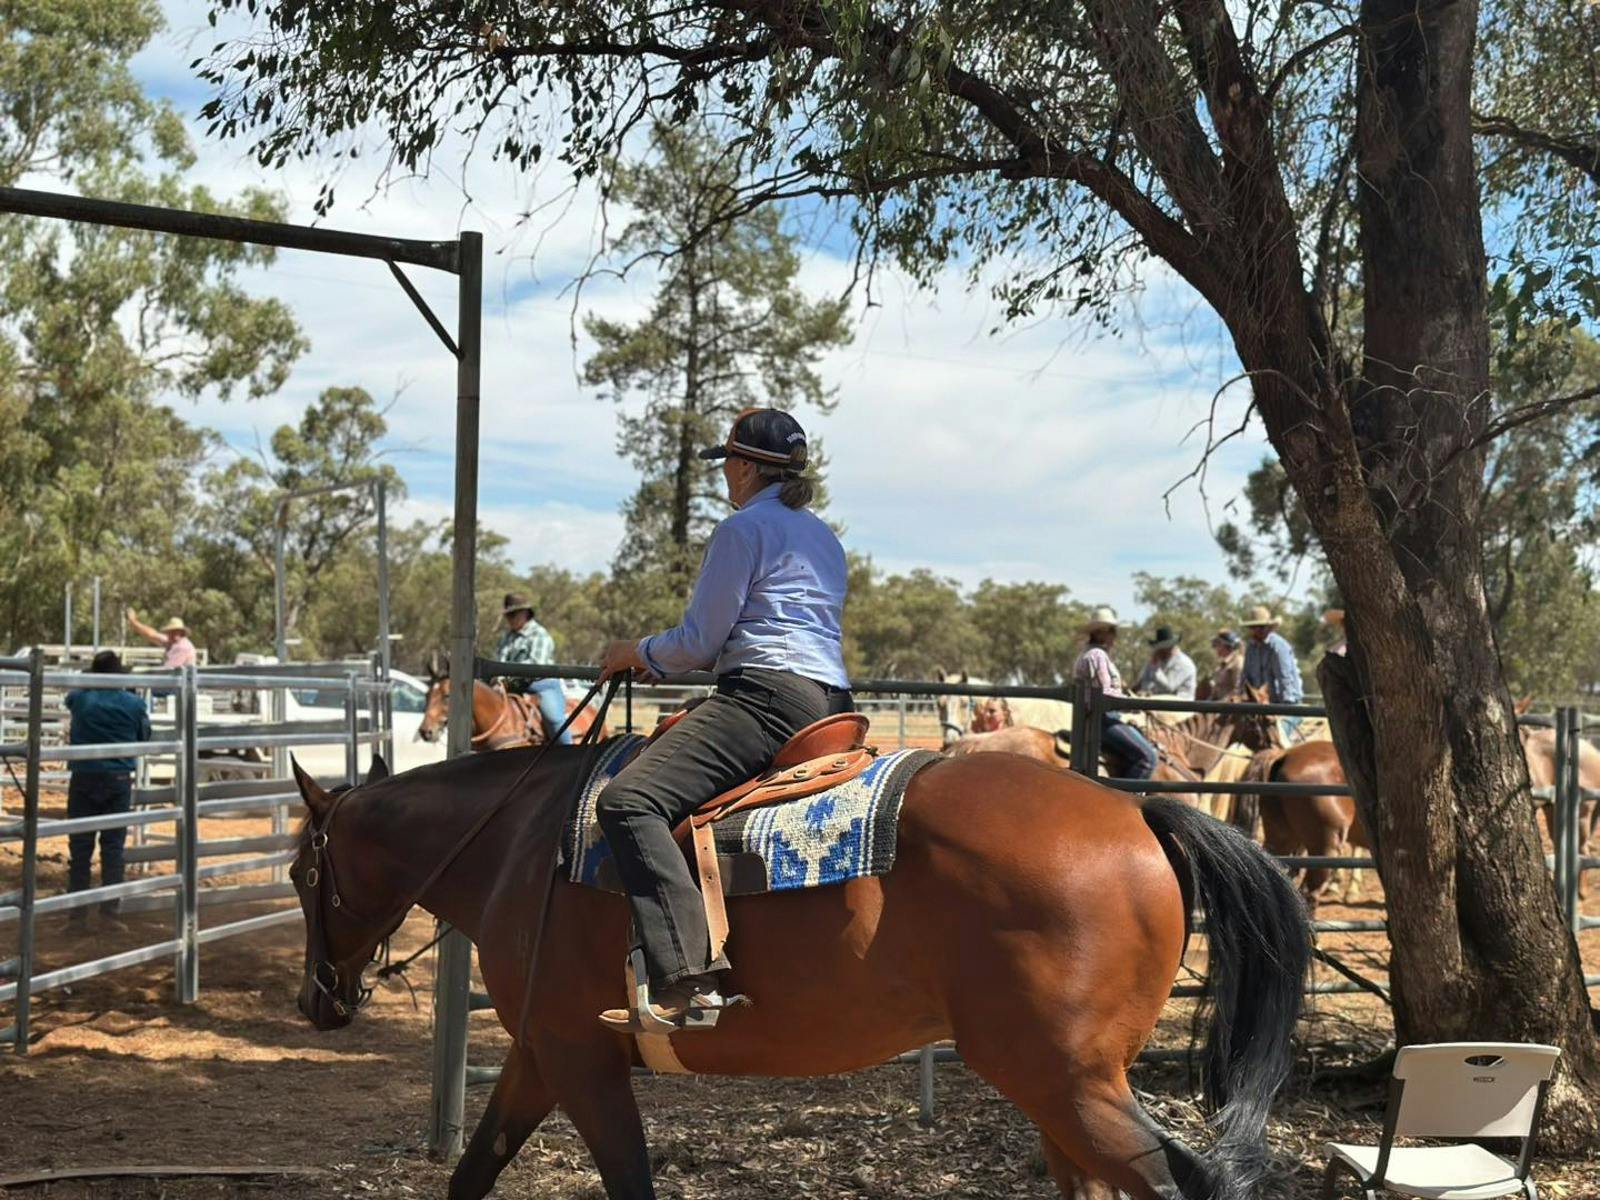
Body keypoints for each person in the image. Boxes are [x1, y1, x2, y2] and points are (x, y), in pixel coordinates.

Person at [592, 407, 851, 1033]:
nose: (724, 479)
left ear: (742, 467)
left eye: (727, 466)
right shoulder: (825, 538)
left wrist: (635, 653)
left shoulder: (741, 530)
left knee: (628, 801)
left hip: (764, 698)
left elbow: (701, 643)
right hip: (833, 702)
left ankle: (686, 977)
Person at [62, 651, 151, 932]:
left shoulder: (80, 700)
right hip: (118, 778)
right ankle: (109, 913)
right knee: (113, 849)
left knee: (80, 849)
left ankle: (77, 916)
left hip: (84, 777)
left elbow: (71, 698)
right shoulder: (133, 704)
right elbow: (144, 736)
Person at [1073, 607, 1158, 781]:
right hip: (1104, 719)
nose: (1115, 636)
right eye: (1113, 631)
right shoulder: (1097, 655)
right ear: (1102, 633)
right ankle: (1126, 802)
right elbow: (1105, 695)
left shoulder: (1089, 654)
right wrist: (1136, 705)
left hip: (1095, 717)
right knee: (1148, 758)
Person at [495, 593, 571, 746]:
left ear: (524, 613)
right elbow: (499, 661)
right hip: (509, 686)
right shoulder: (506, 637)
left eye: (513, 614)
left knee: (552, 717)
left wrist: (508, 680)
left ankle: (570, 752)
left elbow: (537, 666)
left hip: (542, 685)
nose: (509, 619)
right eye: (507, 615)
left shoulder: (540, 635)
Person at [1240, 605, 1304, 703]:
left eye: (1261, 627)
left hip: (1283, 703)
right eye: (1253, 627)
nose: (1257, 630)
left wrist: (1286, 706)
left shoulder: (1278, 647)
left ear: (1269, 627)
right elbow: (1245, 677)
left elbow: (1285, 679)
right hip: (1259, 703)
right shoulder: (1251, 648)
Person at [1136, 626, 1197, 699]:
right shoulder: (1156, 661)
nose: (1157, 651)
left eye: (1160, 648)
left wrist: (1155, 668)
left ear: (1170, 647)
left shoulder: (1184, 664)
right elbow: (1145, 681)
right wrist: (1145, 690)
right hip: (1157, 704)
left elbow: (1169, 688)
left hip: (1180, 706)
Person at [126, 610, 196, 668]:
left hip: (178, 683)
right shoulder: (172, 642)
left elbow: (168, 670)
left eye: (175, 631)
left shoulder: (182, 647)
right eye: (170, 631)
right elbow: (151, 634)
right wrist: (134, 622)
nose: (172, 634)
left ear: (182, 632)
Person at [1205, 628, 1245, 699]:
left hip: (1230, 707)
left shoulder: (1238, 662)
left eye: (1216, 644)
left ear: (1224, 645)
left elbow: (1237, 691)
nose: (1214, 648)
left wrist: (1220, 705)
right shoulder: (1222, 665)